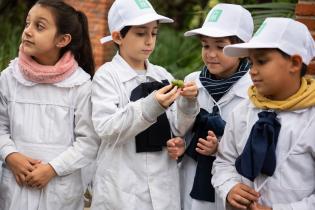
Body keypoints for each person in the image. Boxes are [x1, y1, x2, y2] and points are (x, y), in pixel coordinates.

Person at [91, 0, 199, 209]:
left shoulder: (162, 75)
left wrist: (188, 102)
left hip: (163, 186)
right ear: (117, 36)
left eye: (154, 33)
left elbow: (178, 128)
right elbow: (106, 128)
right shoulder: (106, 76)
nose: (149, 41)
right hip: (121, 189)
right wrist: (151, 106)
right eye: (141, 33)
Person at [0, 1, 99, 210]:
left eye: (39, 26)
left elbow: (88, 142)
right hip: (16, 187)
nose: (27, 31)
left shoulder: (80, 84)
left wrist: (52, 169)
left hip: (59, 190)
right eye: (27, 24)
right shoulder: (9, 78)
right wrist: (11, 155)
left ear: (63, 40)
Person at [211, 17, 315, 210]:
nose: (252, 71)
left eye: (262, 61)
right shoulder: (243, 111)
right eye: (250, 62)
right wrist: (230, 187)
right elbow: (224, 161)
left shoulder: (311, 118)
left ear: (294, 63)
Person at [166, 3, 254, 210]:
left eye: (220, 46)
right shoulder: (192, 81)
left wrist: (220, 148)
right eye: (206, 46)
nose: (211, 54)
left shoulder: (254, 89)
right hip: (188, 182)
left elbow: (255, 144)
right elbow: (179, 128)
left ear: (241, 50)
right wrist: (180, 143)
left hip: (231, 187)